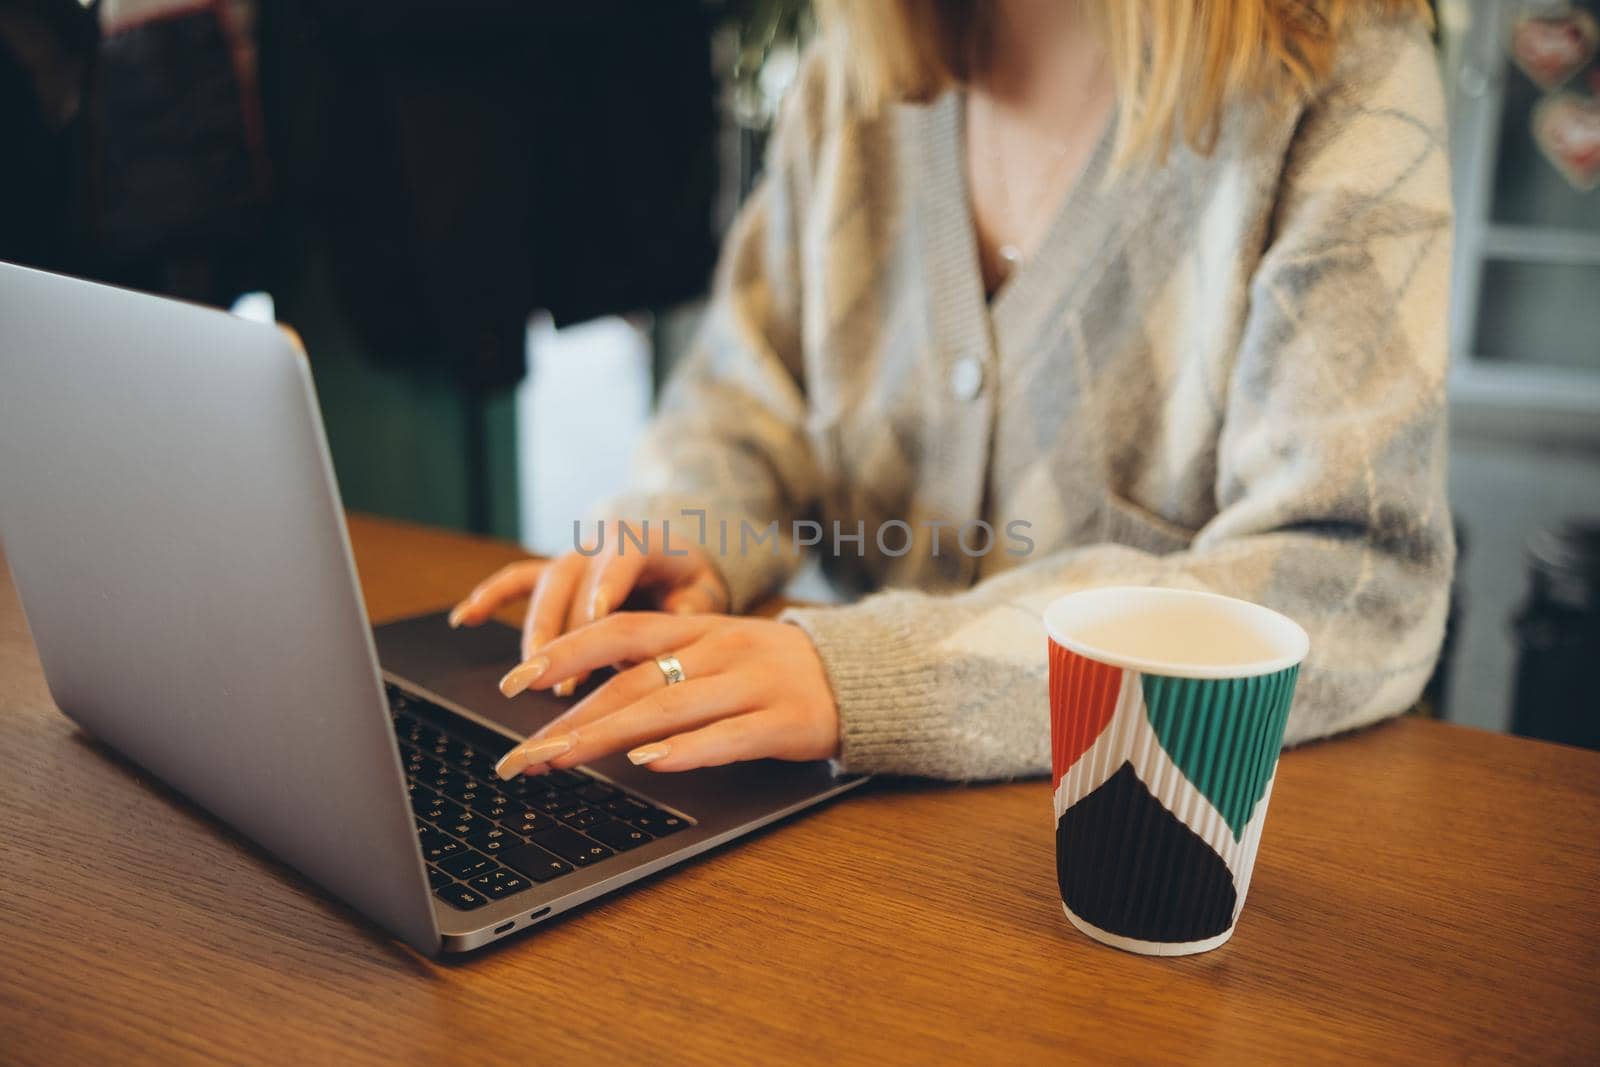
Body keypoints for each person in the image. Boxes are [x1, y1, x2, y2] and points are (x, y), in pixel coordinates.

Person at [451, 0, 1454, 782]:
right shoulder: (854, 78)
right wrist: (688, 523)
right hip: (842, 831)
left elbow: (1354, 578)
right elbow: (745, 395)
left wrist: (872, 676)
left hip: (1146, 865)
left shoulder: (1344, 66)